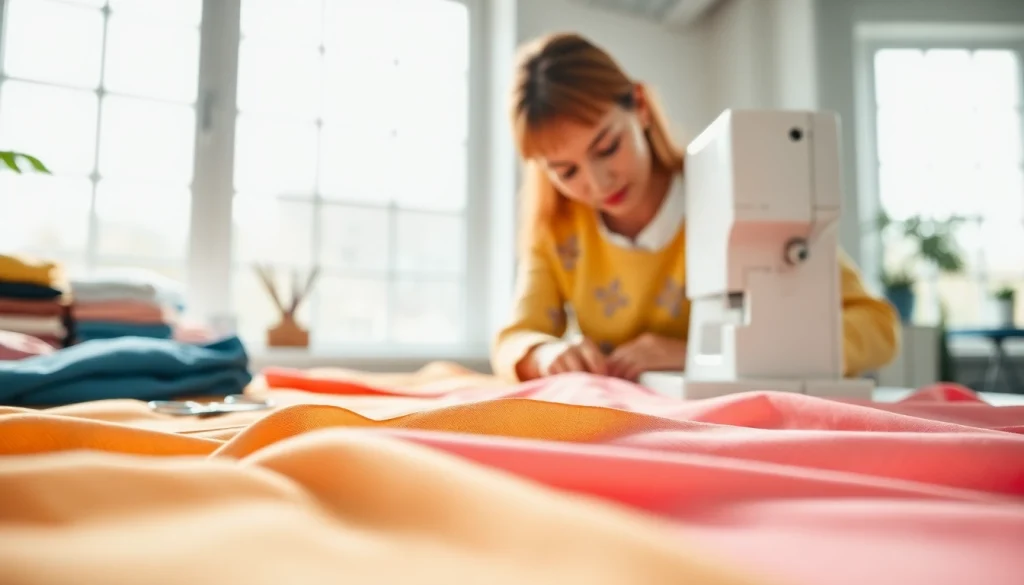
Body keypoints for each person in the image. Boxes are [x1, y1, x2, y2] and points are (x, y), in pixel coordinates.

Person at [491, 32, 899, 383]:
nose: (598, 183)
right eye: (566, 171)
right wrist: (544, 355)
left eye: (607, 147)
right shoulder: (557, 231)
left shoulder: (738, 194)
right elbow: (515, 339)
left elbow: (878, 328)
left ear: (641, 107)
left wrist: (700, 353)